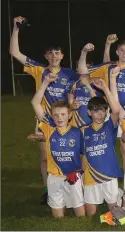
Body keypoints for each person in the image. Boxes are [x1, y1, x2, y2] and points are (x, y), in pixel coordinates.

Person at [10, 16, 78, 204]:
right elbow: (14, 52)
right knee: (45, 157)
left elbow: (78, 90)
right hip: (44, 119)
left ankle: (71, 186)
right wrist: (16, 29)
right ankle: (48, 190)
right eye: (50, 53)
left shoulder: (70, 74)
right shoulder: (39, 69)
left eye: (57, 53)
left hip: (66, 121)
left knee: (68, 156)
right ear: (46, 56)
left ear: (62, 55)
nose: (54, 56)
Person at [31, 72, 85, 218]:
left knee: (80, 215)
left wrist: (81, 174)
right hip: (54, 177)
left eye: (62, 114)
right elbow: (35, 103)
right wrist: (45, 82)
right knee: (58, 217)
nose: (59, 118)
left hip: (72, 176)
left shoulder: (76, 132)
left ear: (69, 115)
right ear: (52, 116)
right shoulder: (49, 129)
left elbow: (83, 156)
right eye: (55, 115)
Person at [80, 68, 123, 216]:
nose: (99, 114)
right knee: (90, 214)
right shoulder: (83, 130)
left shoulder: (109, 126)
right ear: (89, 112)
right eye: (96, 110)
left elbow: (116, 110)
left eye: (102, 111)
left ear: (105, 112)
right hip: (90, 176)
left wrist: (105, 87)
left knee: (115, 212)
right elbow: (82, 154)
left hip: (109, 175)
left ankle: (118, 194)